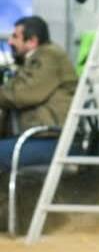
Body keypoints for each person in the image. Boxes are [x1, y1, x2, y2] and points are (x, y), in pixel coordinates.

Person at [0, 16, 78, 173]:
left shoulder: (48, 57)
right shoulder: (35, 59)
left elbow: (21, 95)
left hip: (52, 140)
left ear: (32, 41)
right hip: (39, 137)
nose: (10, 42)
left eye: (15, 37)